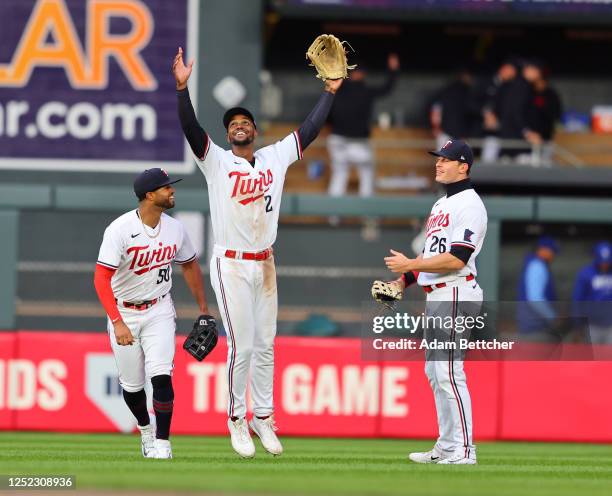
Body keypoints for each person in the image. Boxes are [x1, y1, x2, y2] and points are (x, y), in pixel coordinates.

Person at [172, 46, 342, 458]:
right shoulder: (216, 163)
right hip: (229, 264)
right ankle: (236, 419)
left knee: (266, 345)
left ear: (254, 131)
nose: (240, 126)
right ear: (228, 134)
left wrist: (331, 92)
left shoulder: (274, 158)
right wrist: (181, 89)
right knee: (243, 347)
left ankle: (264, 417)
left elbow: (310, 129)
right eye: (234, 124)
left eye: (246, 122)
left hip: (265, 263)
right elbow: (193, 130)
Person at [384, 139, 487, 465]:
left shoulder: (470, 204)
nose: (439, 164)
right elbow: (431, 256)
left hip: (456, 290)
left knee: (449, 372)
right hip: (439, 293)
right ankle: (447, 446)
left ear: (464, 166)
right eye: (438, 159)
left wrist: (409, 266)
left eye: (446, 159)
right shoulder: (442, 204)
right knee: (435, 371)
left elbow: (457, 259)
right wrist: (403, 280)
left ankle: (466, 450)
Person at [94, 168, 208, 460]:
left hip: (159, 308)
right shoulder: (119, 229)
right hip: (125, 311)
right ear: (149, 195)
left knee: (161, 376)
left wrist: (204, 310)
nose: (172, 191)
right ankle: (145, 430)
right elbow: (100, 278)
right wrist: (117, 322)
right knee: (132, 386)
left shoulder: (175, 228)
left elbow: (190, 265)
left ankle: (163, 442)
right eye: (166, 187)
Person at [326, 53, 400, 199]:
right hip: (358, 142)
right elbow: (386, 89)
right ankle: (368, 216)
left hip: (337, 140)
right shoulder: (365, 91)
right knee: (366, 176)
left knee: (339, 176)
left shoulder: (336, 90)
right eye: (361, 72)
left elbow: (327, 115)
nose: (363, 75)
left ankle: (333, 217)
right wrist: (393, 71)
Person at [516, 236, 559, 340]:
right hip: (534, 326)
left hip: (530, 323)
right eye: (552, 251)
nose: (553, 255)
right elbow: (535, 298)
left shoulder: (533, 264)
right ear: (543, 250)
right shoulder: (537, 266)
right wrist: (552, 316)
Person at [522, 60, 563, 167]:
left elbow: (555, 116)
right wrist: (528, 132)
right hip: (525, 141)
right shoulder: (526, 92)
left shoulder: (551, 95)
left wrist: (543, 134)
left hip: (545, 140)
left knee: (545, 169)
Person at [572, 241, 612, 344]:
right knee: (593, 357)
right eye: (602, 262)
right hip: (592, 325)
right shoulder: (586, 273)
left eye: (607, 262)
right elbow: (577, 299)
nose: (605, 264)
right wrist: (577, 325)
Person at [430, 68, 478, 150]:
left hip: (445, 132)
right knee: (461, 160)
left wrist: (436, 127)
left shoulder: (445, 91)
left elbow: (435, 109)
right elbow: (471, 110)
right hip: (459, 134)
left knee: (443, 159)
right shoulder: (466, 92)